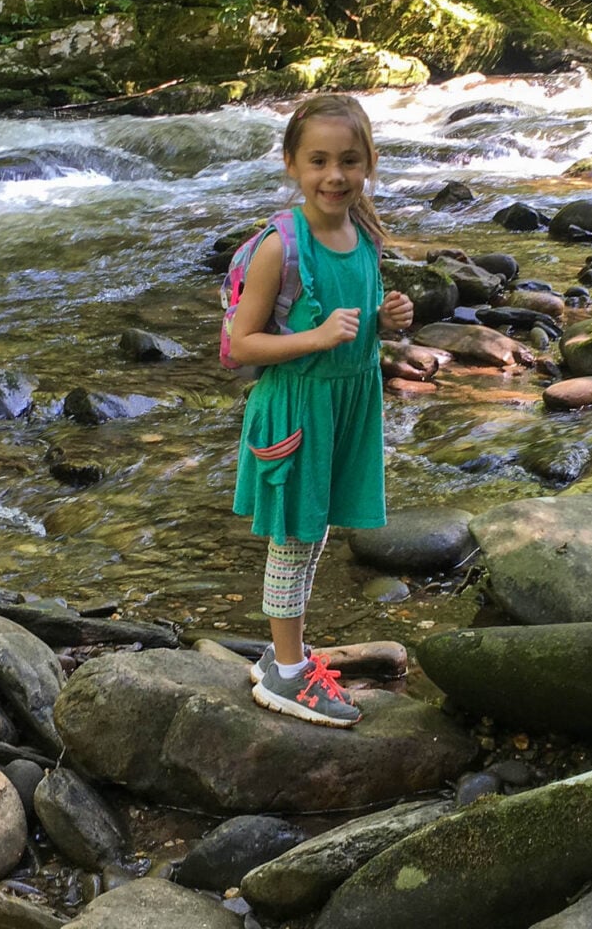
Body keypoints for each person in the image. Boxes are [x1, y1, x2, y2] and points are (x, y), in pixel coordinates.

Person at [228, 93, 414, 728]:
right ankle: (284, 673)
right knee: (294, 537)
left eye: (349, 160)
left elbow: (355, 327)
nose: (334, 175)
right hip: (298, 410)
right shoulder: (281, 248)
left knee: (316, 534)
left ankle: (288, 653)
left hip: (348, 401)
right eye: (318, 161)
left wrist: (384, 324)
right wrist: (316, 336)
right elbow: (239, 346)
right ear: (291, 165)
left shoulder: (364, 233)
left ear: (369, 164)